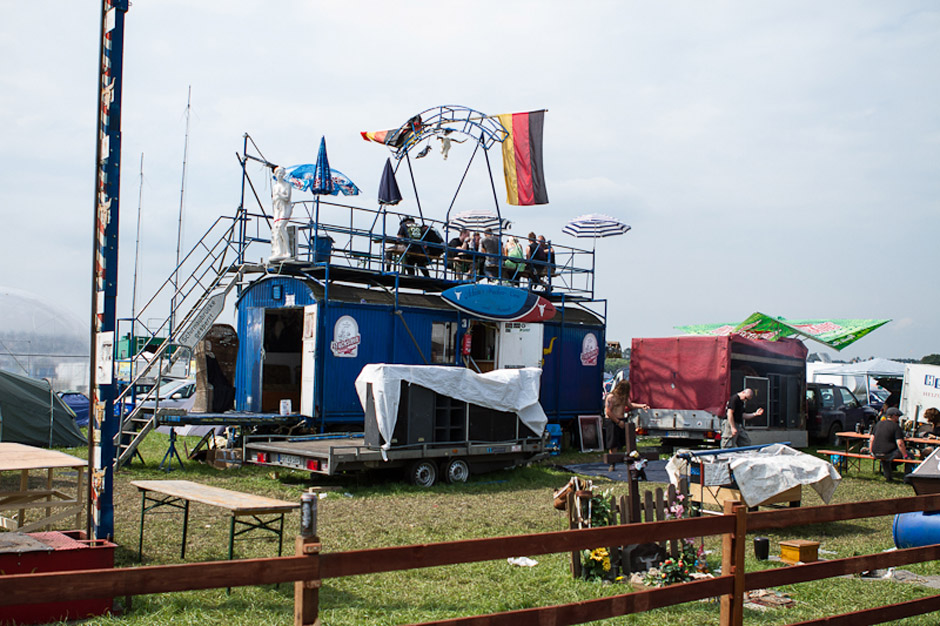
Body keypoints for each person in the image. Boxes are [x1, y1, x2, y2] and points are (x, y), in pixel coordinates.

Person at [603, 380, 650, 471]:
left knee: (626, 442)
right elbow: (608, 411)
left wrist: (641, 406)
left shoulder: (623, 397)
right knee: (613, 444)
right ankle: (612, 464)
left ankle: (631, 462)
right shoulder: (611, 397)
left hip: (621, 420)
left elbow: (630, 405)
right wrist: (617, 422)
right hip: (613, 421)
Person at [870, 407, 911, 482]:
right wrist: (905, 456)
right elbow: (900, 443)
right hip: (888, 454)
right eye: (898, 416)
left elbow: (871, 439)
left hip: (875, 453)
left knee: (884, 457)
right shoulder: (896, 427)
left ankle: (888, 477)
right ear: (894, 416)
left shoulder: (878, 424)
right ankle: (907, 478)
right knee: (910, 455)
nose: (898, 418)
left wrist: (871, 451)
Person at [269, 166, 293, 262]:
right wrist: (277, 198)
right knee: (276, 229)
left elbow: (287, 198)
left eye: (281, 173)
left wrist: (280, 195)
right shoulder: (275, 187)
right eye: (278, 173)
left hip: (285, 208)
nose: (280, 175)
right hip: (278, 208)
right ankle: (279, 251)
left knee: (281, 227)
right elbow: (274, 199)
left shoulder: (287, 185)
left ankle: (287, 251)